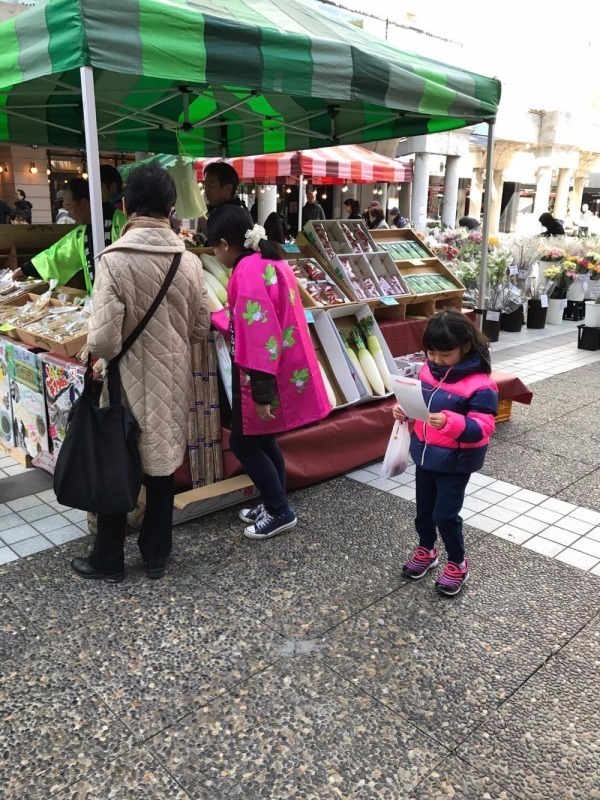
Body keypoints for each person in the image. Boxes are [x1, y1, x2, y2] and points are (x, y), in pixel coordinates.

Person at [71, 163, 210, 583]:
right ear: (171, 208)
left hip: (125, 382)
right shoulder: (189, 263)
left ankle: (109, 559)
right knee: (162, 466)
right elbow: (201, 328)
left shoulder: (113, 261)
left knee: (120, 461)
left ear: (127, 205)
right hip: (172, 380)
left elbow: (106, 342)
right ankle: (155, 556)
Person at [208, 205, 330, 540]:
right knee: (265, 439)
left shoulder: (246, 272)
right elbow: (255, 320)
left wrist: (261, 393)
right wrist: (222, 319)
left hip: (264, 375)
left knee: (245, 444)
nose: (215, 253)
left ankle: (279, 510)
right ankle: (273, 502)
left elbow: (260, 336)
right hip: (285, 369)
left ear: (224, 243)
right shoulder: (272, 261)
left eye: (214, 247)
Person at [394, 310, 498, 596]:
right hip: (425, 454)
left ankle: (457, 563)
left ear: (464, 347)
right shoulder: (428, 371)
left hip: (455, 462)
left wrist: (453, 422)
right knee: (424, 511)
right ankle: (427, 549)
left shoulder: (481, 384)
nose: (437, 360)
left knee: (445, 515)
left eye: (445, 354)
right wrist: (404, 410)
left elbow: (484, 426)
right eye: (431, 353)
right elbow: (420, 402)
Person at [12, 178, 126, 292]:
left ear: (84, 204)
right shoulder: (81, 233)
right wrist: (26, 270)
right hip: (100, 302)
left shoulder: (122, 222)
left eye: (69, 206)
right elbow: (57, 256)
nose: (69, 214)